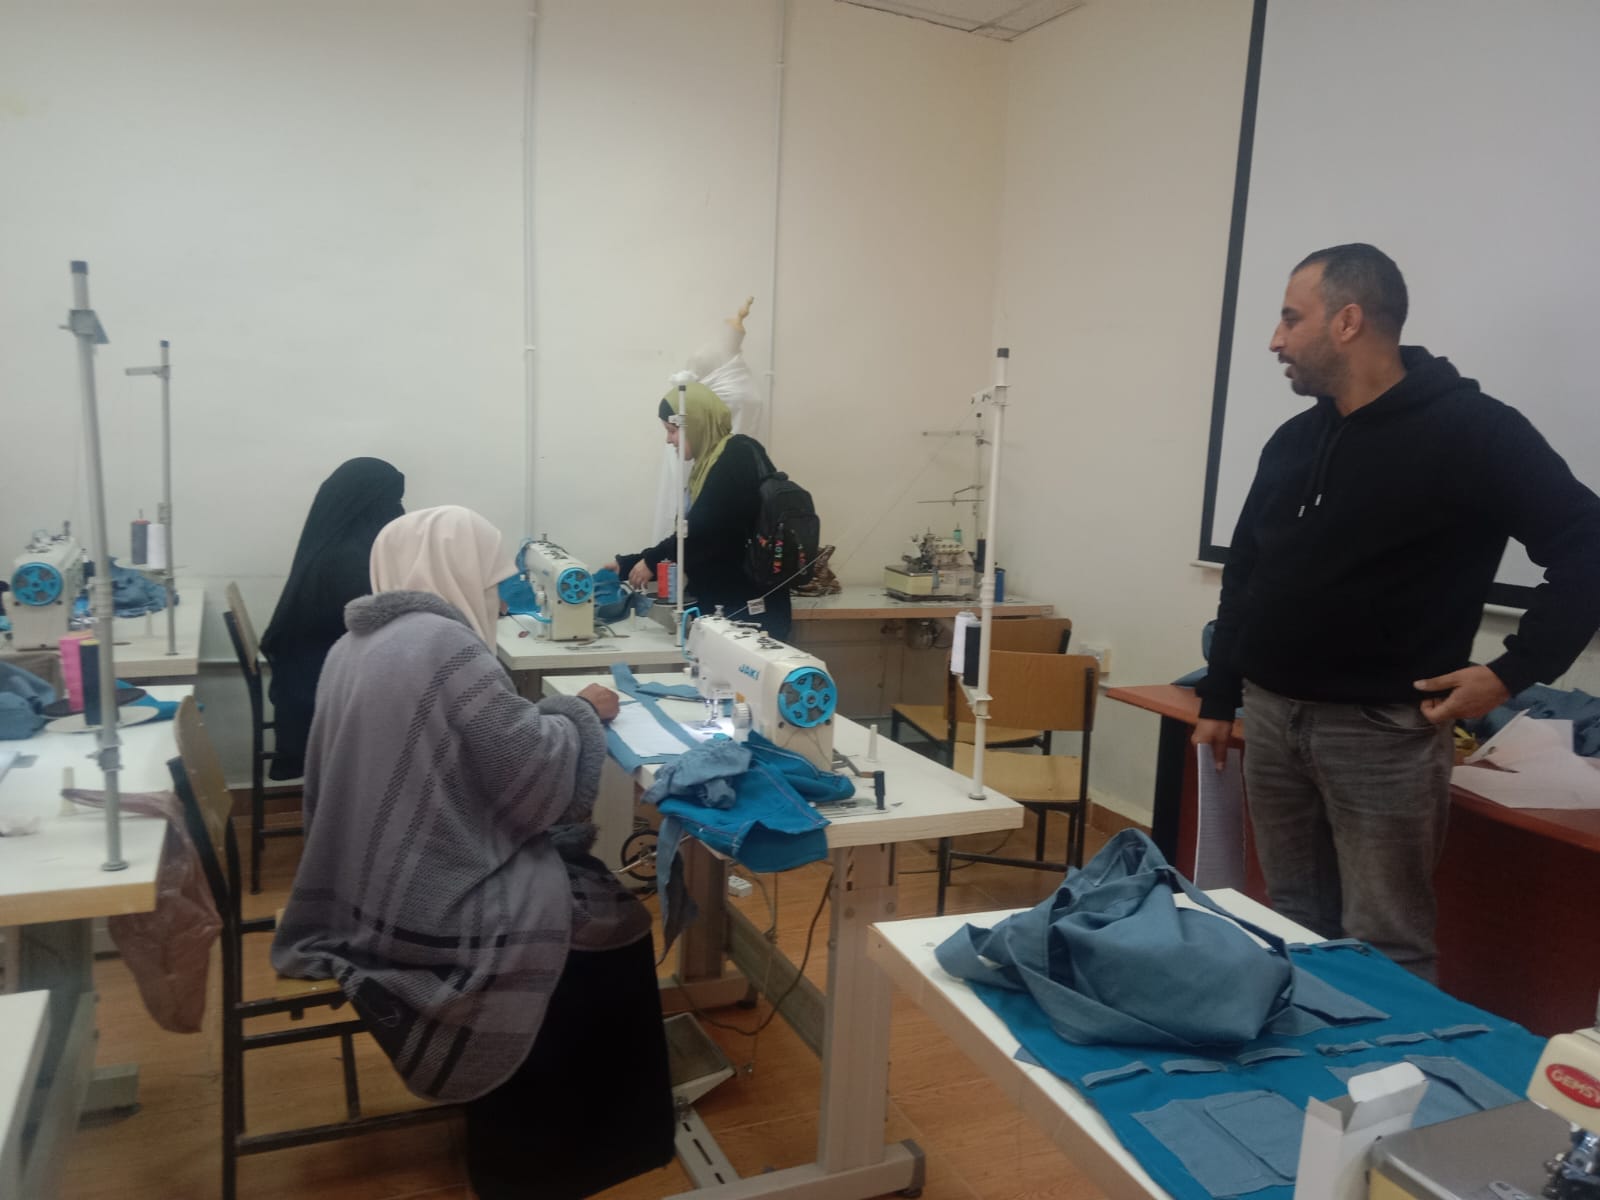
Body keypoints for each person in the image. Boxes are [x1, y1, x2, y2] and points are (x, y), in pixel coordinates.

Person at [1193, 243, 1600, 980]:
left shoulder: (1473, 430)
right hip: (1272, 717)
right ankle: (1307, 1056)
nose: (1275, 340)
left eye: (1291, 318)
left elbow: (1587, 544)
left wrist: (1512, 672)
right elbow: (1248, 571)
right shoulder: (1293, 440)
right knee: (1291, 920)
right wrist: (1221, 695)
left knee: (1387, 943)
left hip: (1382, 734)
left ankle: (1385, 1061)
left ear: (1347, 321)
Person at [270, 506, 674, 1200]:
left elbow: (478, 746)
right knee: (617, 924)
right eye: (491, 580)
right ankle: (578, 1153)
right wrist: (582, 711)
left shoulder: (353, 645)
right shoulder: (444, 647)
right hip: (435, 909)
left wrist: (551, 716)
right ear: (456, 570)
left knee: (588, 895)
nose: (497, 594)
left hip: (367, 888)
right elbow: (534, 780)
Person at [610, 381, 793, 638]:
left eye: (672, 430)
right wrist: (627, 565)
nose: (668, 440)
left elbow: (701, 532)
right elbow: (691, 536)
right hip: (726, 606)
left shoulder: (736, 456)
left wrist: (649, 561)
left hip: (749, 612)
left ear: (695, 423)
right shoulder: (708, 466)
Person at [260, 457, 405, 780]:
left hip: (314, 673)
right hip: (325, 686)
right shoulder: (347, 562)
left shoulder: (334, 548)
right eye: (393, 501)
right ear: (369, 503)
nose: (399, 511)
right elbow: (382, 627)